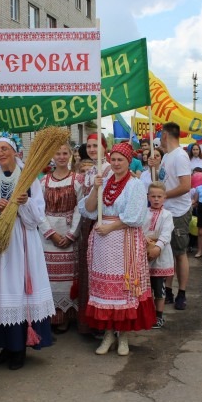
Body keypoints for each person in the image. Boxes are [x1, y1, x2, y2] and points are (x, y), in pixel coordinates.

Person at [0, 134, 54, 370]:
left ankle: (19, 347)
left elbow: (38, 216)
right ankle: (5, 346)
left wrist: (25, 203)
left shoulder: (30, 178)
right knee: (0, 291)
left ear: (15, 151)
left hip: (22, 242)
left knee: (19, 291)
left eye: (5, 149)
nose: (0, 153)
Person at [79, 142, 153, 355]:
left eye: (121, 160)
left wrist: (110, 227)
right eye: (113, 159)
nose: (116, 163)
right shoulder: (104, 181)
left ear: (129, 162)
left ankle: (123, 336)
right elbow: (90, 209)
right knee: (104, 288)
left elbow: (135, 217)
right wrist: (95, 188)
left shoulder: (135, 184)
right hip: (103, 241)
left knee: (124, 288)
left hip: (124, 238)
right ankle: (108, 333)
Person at [39, 143, 83, 334]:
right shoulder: (43, 181)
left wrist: (72, 234)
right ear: (52, 156)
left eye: (65, 153)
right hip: (49, 237)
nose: (62, 156)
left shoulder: (77, 180)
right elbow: (38, 211)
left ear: (71, 155)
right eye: (58, 153)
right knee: (49, 278)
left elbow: (80, 208)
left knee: (67, 278)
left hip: (69, 231)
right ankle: (51, 314)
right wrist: (51, 233)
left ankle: (66, 315)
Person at [152, 122, 192, 310]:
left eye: (161, 135)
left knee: (179, 253)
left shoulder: (180, 156)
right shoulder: (168, 156)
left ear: (166, 135)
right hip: (166, 211)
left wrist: (164, 196)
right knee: (167, 253)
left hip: (178, 212)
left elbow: (185, 186)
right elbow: (163, 180)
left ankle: (181, 293)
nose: (160, 138)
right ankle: (167, 290)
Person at [76, 133, 110, 335]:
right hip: (87, 222)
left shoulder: (107, 168)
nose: (92, 149)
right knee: (87, 271)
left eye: (96, 145)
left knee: (100, 271)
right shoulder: (90, 171)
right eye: (89, 146)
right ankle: (89, 322)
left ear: (104, 147)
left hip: (103, 222)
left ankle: (102, 323)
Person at [145, 182, 173, 329]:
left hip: (160, 257)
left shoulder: (167, 215)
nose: (156, 199)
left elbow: (166, 234)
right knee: (145, 288)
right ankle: (146, 315)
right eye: (153, 196)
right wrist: (145, 241)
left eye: (159, 196)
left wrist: (157, 247)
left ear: (164, 197)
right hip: (144, 255)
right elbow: (138, 230)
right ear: (148, 197)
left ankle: (159, 316)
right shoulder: (143, 213)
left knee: (159, 289)